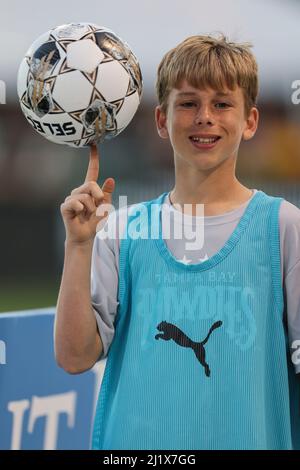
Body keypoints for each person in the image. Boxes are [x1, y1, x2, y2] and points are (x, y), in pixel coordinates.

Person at [55, 33, 300, 450]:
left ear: (250, 121)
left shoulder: (283, 226)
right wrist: (78, 246)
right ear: (162, 121)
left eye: (222, 104)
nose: (205, 116)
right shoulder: (124, 229)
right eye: (187, 103)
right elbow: (75, 358)